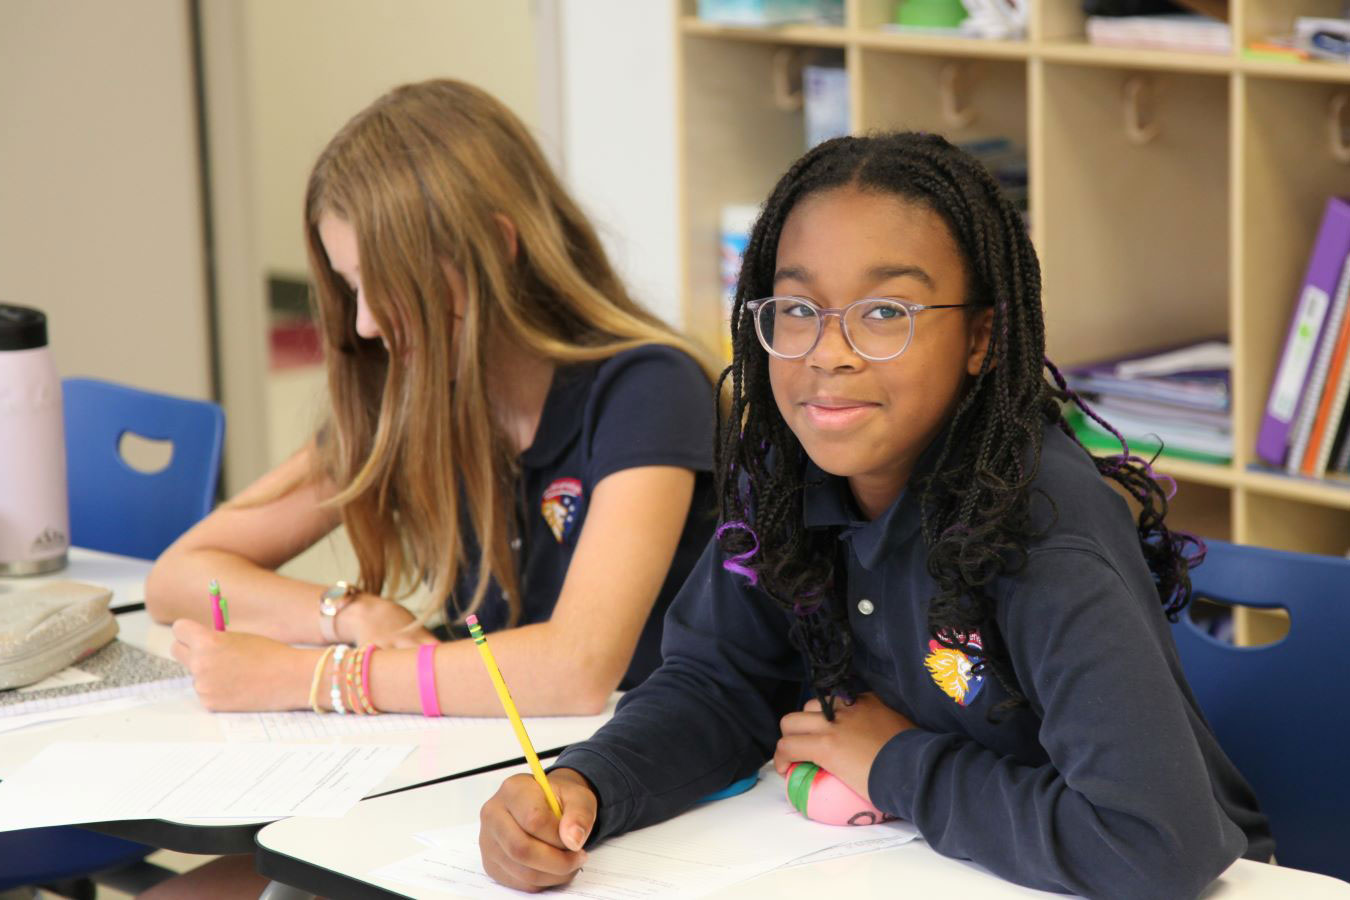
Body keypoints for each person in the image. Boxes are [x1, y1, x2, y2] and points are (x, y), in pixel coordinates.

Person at [477, 132, 1272, 899]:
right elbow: (720, 686)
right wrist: (586, 784)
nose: (830, 352)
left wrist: (895, 761)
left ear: (981, 337)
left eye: (887, 312)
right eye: (797, 309)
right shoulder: (788, 476)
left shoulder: (1041, 530)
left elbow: (1153, 847)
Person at [145, 78, 719, 721]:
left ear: (498, 249)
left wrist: (313, 676)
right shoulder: (419, 390)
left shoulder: (649, 387)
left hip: (641, 770)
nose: (364, 323)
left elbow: (575, 670)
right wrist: (349, 613)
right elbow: (178, 576)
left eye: (387, 285)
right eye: (351, 285)